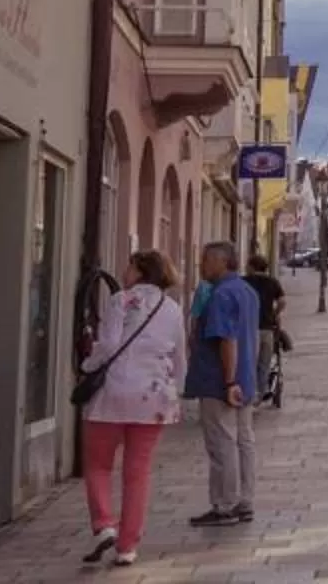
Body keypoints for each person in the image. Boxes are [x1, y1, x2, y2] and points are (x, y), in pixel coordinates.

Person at [81, 249, 185, 568]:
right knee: (137, 473)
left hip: (114, 393)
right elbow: (180, 356)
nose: (125, 271)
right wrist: (176, 391)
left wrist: (88, 364)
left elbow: (110, 345)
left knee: (98, 464)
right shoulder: (173, 309)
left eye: (130, 266)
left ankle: (104, 526)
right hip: (154, 397)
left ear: (140, 271)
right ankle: (128, 546)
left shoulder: (121, 301)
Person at [187, 240, 263, 527]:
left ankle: (224, 505)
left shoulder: (220, 295)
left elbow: (227, 340)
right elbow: (251, 338)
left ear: (221, 261)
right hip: (245, 378)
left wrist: (229, 380)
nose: (201, 266)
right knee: (244, 441)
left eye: (205, 260)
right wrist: (247, 376)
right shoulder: (247, 292)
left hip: (220, 381)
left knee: (222, 443)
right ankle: (245, 501)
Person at [243, 254, 288, 409]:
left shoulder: (244, 281)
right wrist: (274, 314)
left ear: (251, 267)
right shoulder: (272, 282)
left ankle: (249, 392)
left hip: (249, 329)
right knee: (264, 363)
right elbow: (282, 302)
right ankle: (260, 393)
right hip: (267, 328)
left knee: (249, 362)